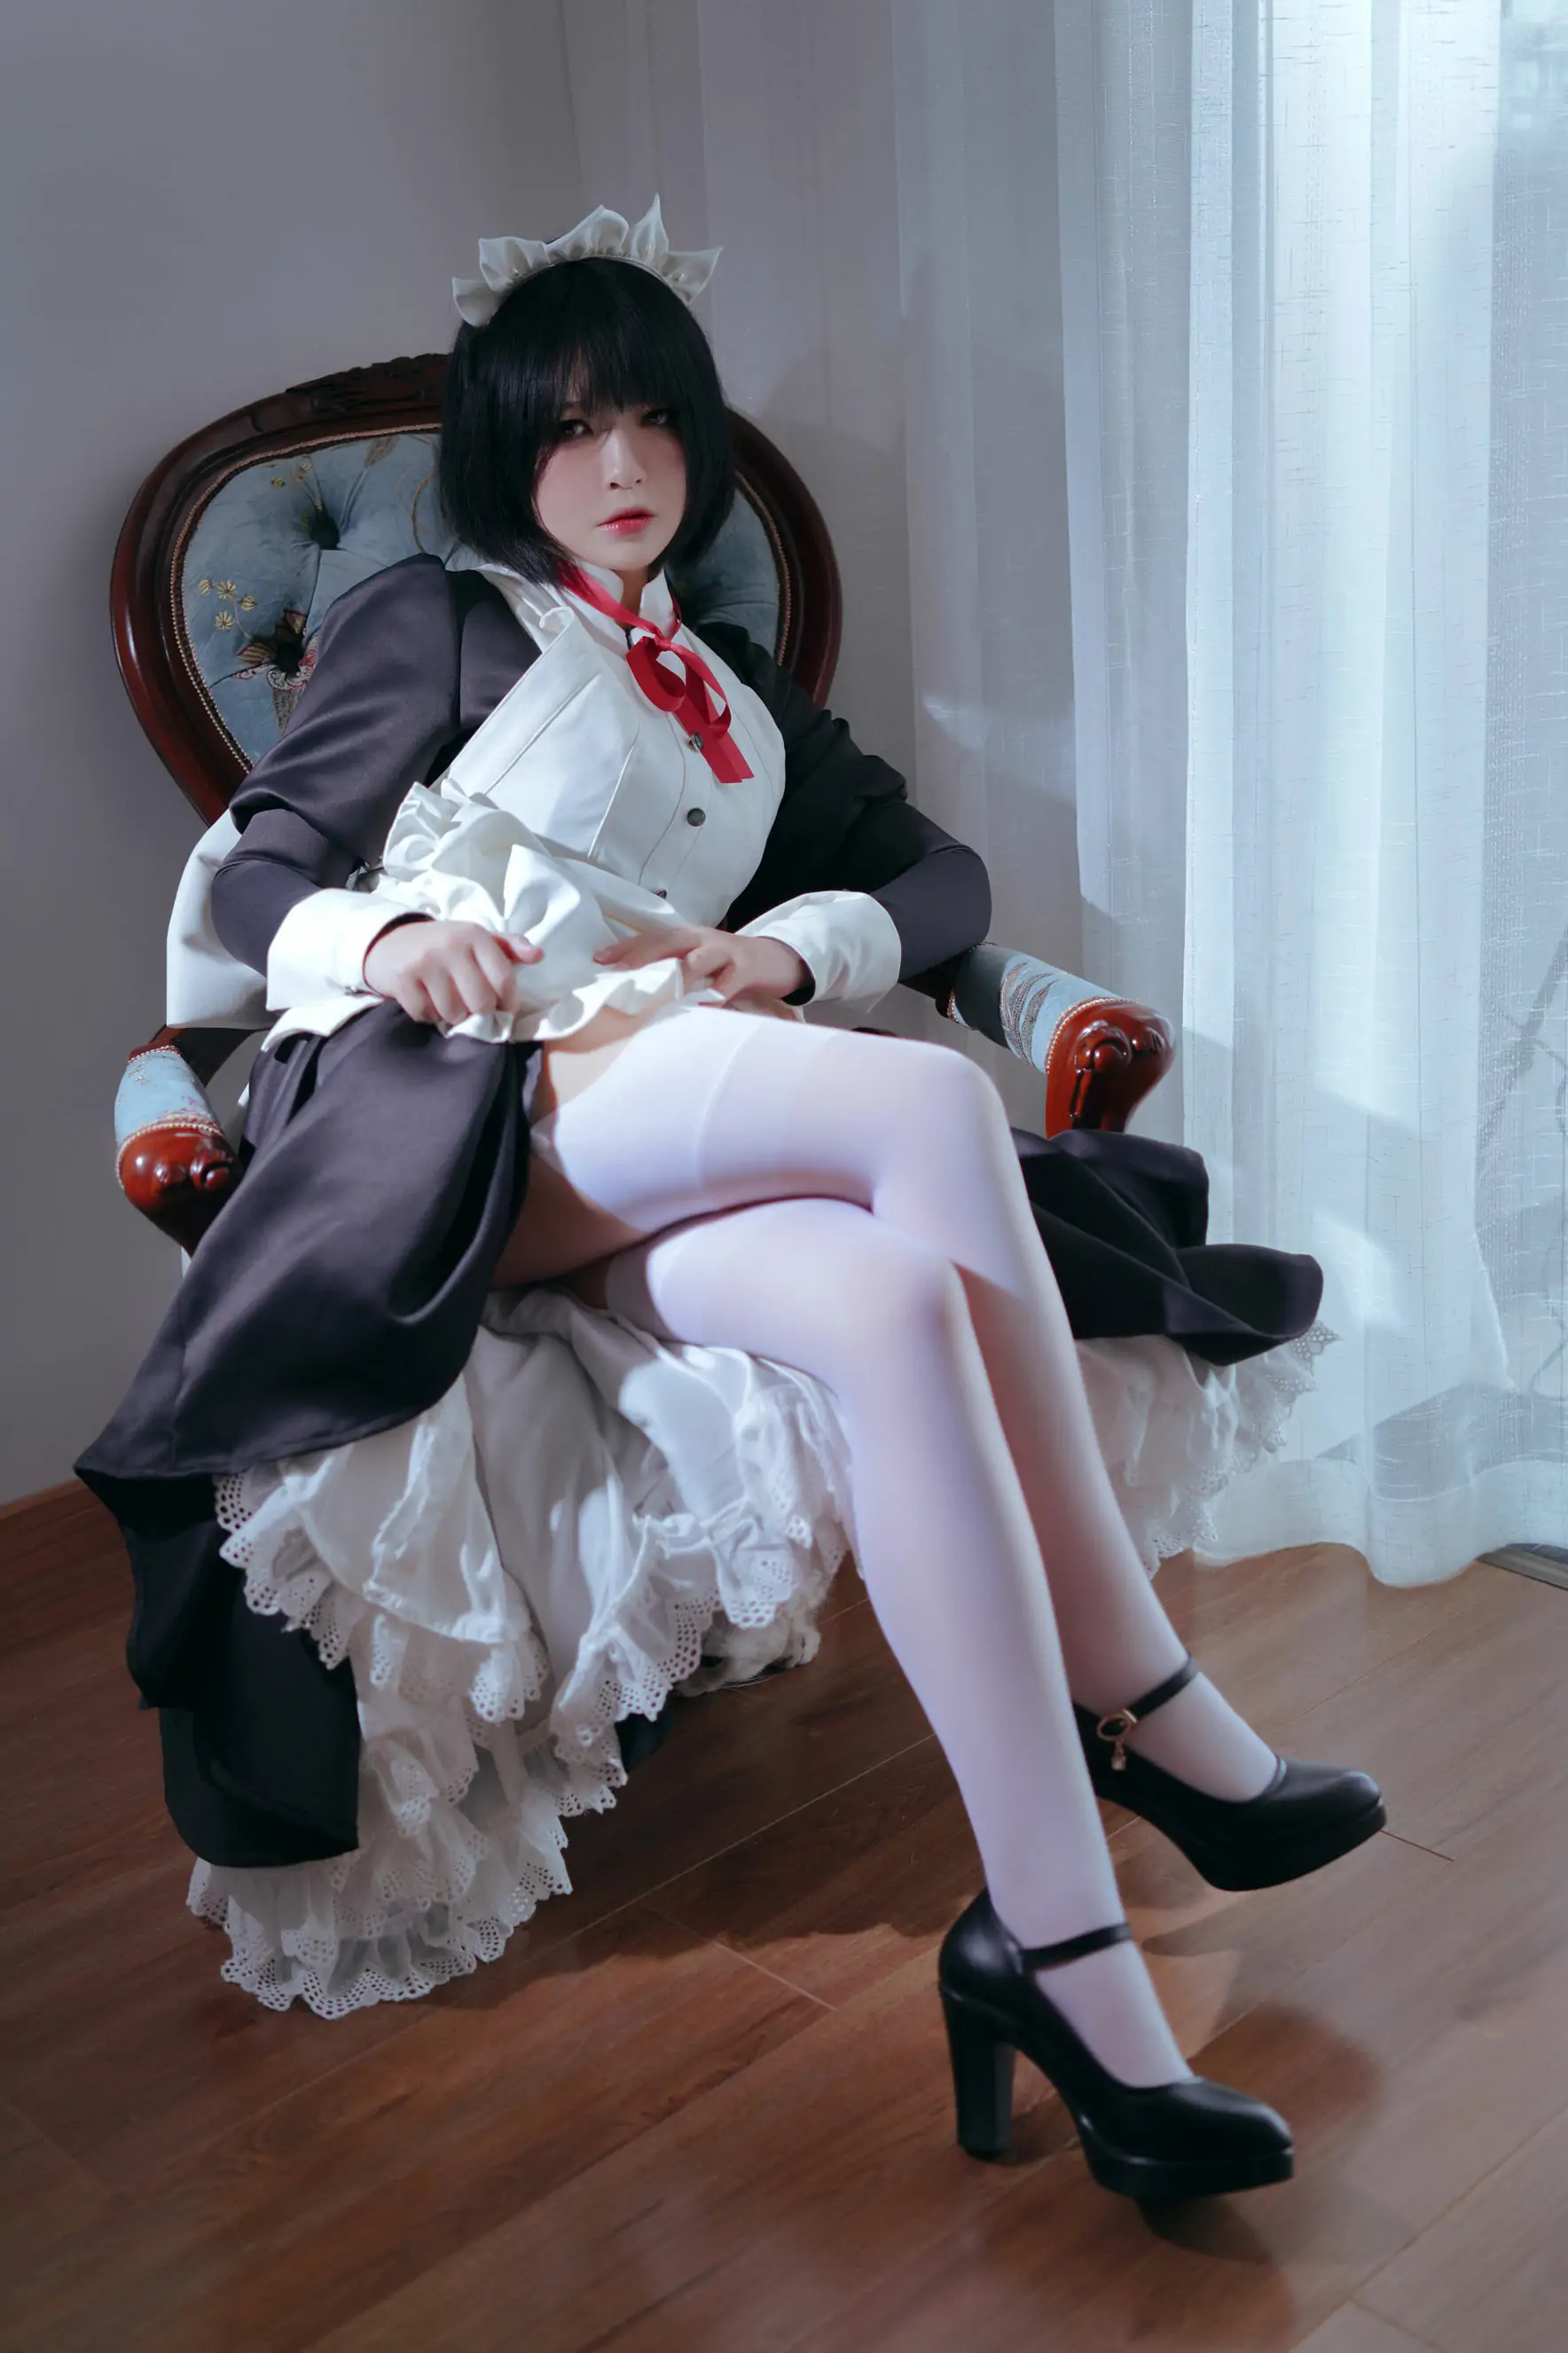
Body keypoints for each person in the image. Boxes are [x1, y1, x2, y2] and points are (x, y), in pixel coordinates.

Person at [80, 200, 1382, 2203]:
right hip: (447, 1105)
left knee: (893, 1302)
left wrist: (797, 946)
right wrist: (394, 930)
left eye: (656, 423)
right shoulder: (436, 619)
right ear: (508, 452)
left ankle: (1058, 1949)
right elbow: (257, 874)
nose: (622, 466)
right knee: (925, 1111)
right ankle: (1149, 1699)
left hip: (638, 1106)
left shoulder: (739, 686)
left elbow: (939, 879)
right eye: (572, 428)